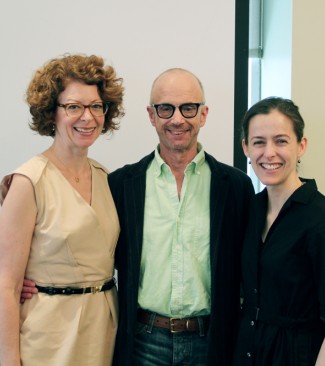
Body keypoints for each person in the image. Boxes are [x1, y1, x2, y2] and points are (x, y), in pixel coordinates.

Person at [108, 68, 255, 365]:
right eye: (166, 108)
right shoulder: (122, 185)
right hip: (143, 344)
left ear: (203, 114)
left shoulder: (236, 187)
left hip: (212, 343)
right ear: (152, 115)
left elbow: (251, 268)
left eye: (188, 108)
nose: (178, 119)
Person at [0, 54, 124, 366]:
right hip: (49, 336)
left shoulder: (106, 178)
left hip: (104, 329)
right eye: (73, 106)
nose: (87, 117)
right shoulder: (29, 180)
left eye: (95, 106)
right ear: (51, 112)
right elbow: (7, 288)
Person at [234, 97, 325, 366]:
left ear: (301, 146)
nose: (269, 153)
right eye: (258, 142)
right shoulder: (250, 211)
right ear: (246, 148)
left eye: (281, 141)